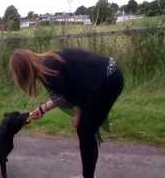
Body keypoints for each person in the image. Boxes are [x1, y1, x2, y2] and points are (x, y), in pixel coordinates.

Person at [9, 48, 124, 178]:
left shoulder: (50, 73)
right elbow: (64, 95)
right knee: (85, 128)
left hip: (108, 81)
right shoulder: (48, 62)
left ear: (23, 71)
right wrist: (41, 110)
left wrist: (78, 114)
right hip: (109, 73)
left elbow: (77, 95)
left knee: (85, 130)